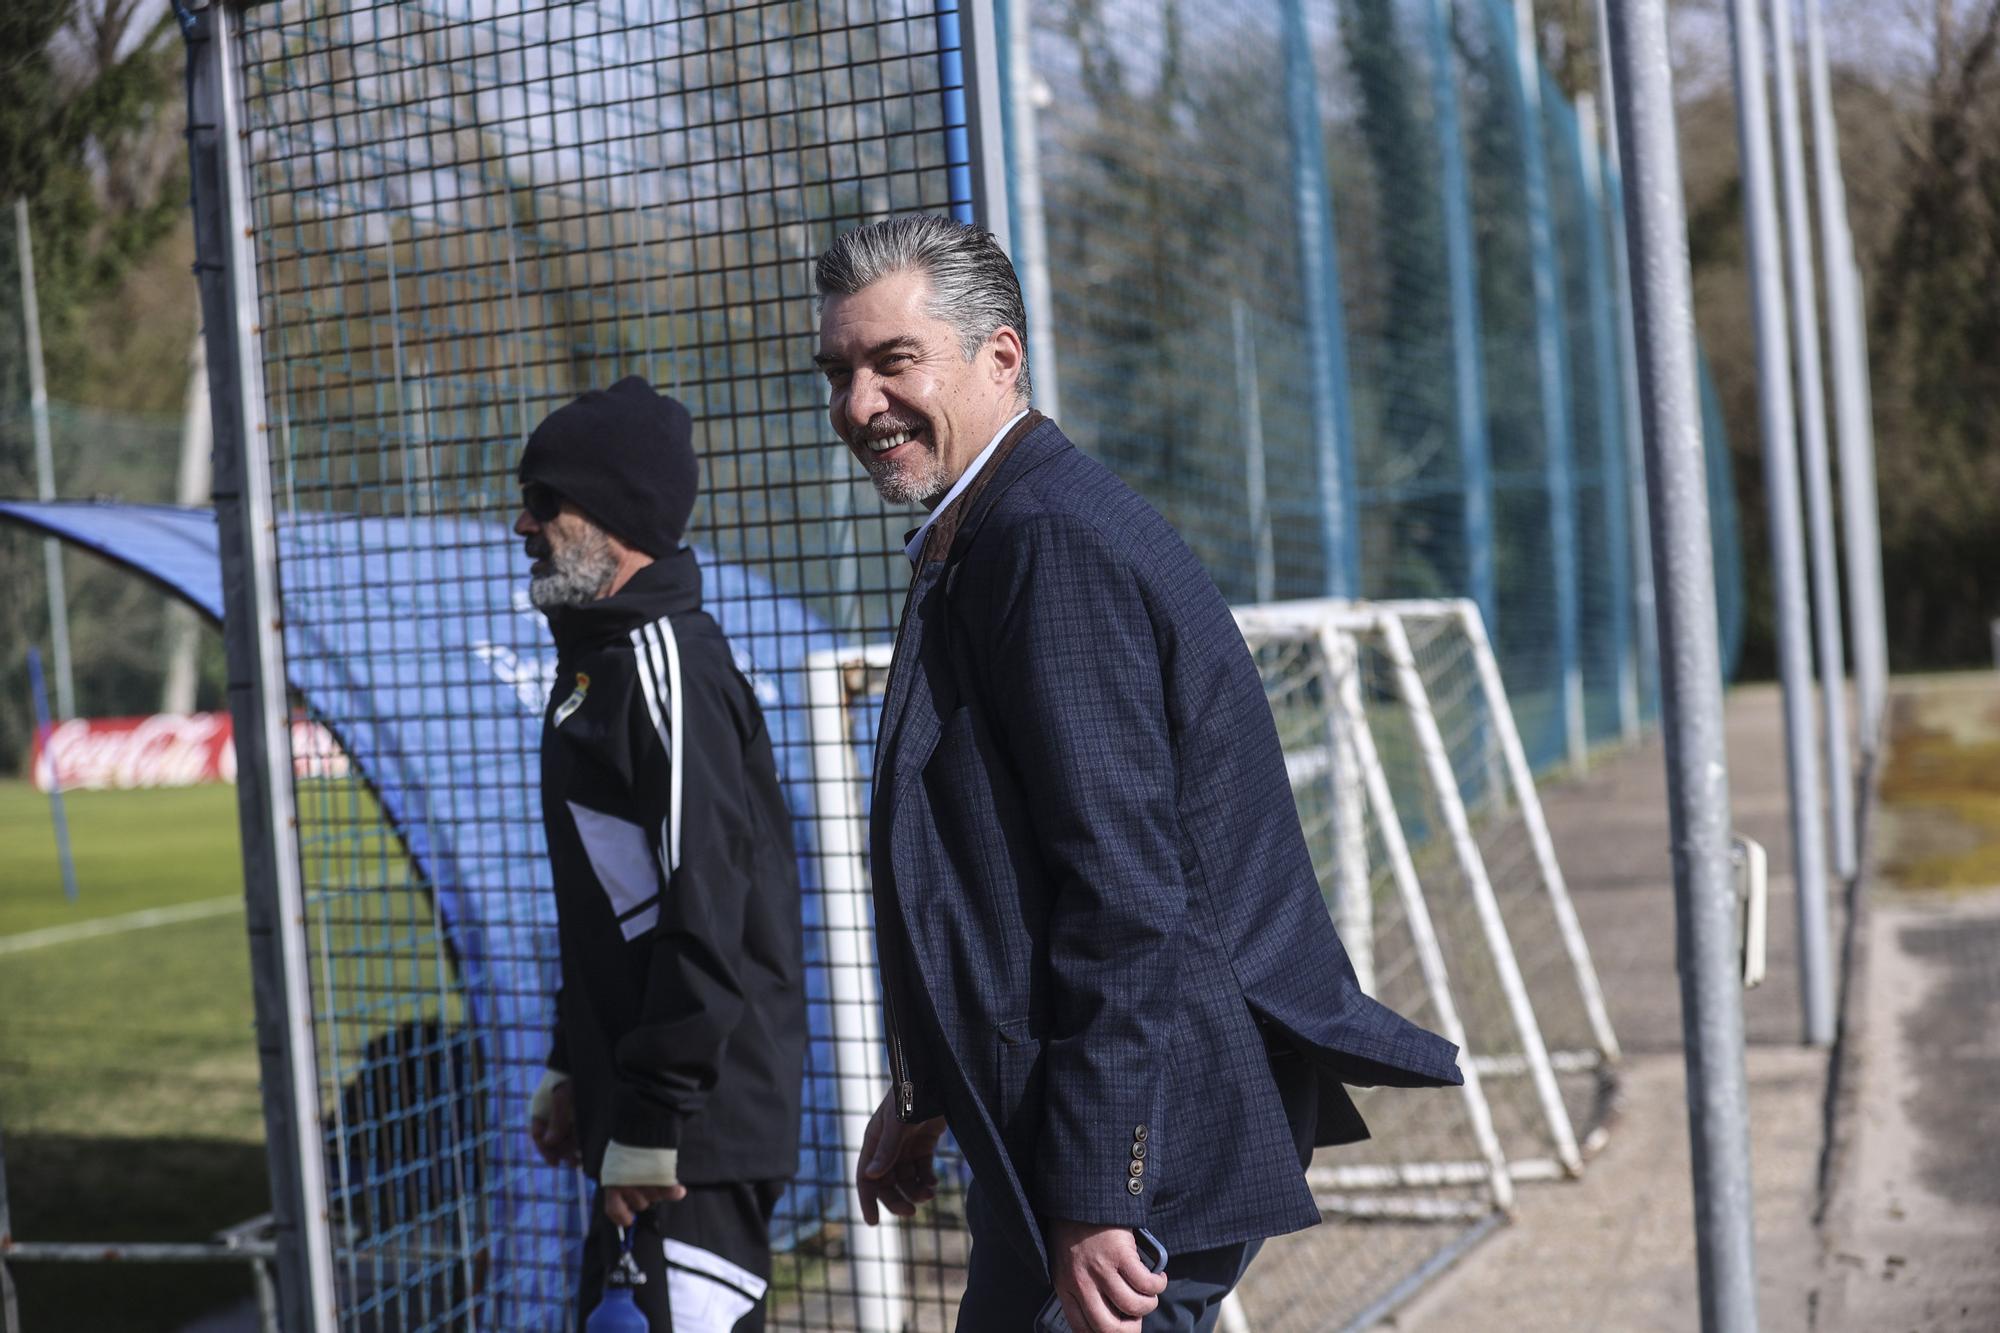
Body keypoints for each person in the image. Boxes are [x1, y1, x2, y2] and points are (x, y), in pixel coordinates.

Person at [812, 217, 1464, 1333]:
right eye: (840, 372)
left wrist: (1096, 1184)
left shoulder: (1044, 542)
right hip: (1094, 1123)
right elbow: (997, 876)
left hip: (1148, 1130)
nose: (859, 404)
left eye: (892, 362)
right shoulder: (991, 524)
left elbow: (1121, 892)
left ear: (999, 358)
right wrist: (924, 1086)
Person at [515, 376, 805, 1333]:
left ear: (612, 514)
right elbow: (612, 907)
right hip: (645, 1124)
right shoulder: (595, 664)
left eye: (544, 502)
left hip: (691, 1140)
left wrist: (650, 1117)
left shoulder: (662, 661)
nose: (523, 525)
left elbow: (705, 912)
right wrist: (573, 1065)